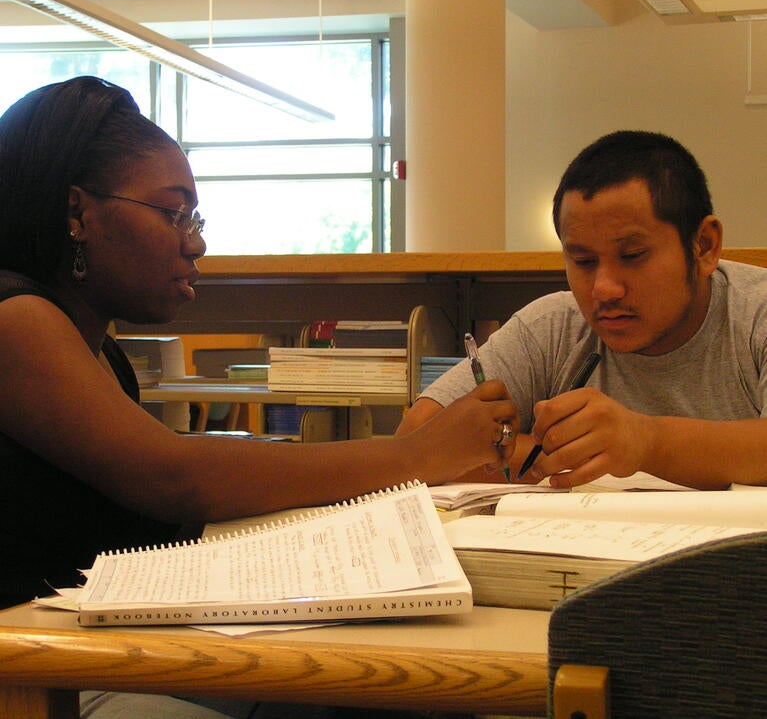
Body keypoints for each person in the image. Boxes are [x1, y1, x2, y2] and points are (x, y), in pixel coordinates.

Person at [0, 76, 515, 719]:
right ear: (77, 213)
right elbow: (174, 476)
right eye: (173, 213)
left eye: (196, 219)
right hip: (29, 668)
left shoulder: (97, 350)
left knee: (390, 688)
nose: (196, 243)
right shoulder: (13, 318)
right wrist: (415, 456)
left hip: (79, 642)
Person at [398, 130, 767, 491]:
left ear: (703, 246)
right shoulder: (552, 328)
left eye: (633, 256)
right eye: (583, 260)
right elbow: (416, 442)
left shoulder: (756, 313)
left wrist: (644, 442)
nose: (604, 289)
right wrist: (562, 451)